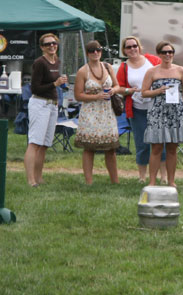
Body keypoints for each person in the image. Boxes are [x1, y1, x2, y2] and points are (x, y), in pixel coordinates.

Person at [141, 41, 183, 187]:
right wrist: (158, 91)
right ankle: (152, 181)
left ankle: (171, 181)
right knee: (156, 147)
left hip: (175, 112)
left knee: (172, 148)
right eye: (164, 52)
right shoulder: (152, 71)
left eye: (170, 52)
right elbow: (144, 92)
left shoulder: (180, 70)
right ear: (159, 54)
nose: (168, 55)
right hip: (157, 112)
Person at [116, 36, 167, 183]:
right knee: (142, 143)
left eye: (134, 46)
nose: (132, 49)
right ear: (124, 51)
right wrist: (128, 90)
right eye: (128, 47)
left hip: (157, 107)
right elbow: (118, 87)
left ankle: (163, 176)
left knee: (160, 142)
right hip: (137, 109)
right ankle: (142, 176)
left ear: (139, 47)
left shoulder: (152, 60)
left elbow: (168, 72)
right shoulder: (124, 67)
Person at [24, 33, 69, 187]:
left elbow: (55, 83)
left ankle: (39, 177)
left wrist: (62, 83)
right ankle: (30, 180)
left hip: (53, 104)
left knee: (44, 144)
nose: (52, 46)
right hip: (39, 103)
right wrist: (55, 84)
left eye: (54, 43)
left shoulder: (58, 61)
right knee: (35, 142)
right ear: (42, 47)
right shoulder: (39, 63)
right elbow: (35, 88)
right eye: (48, 44)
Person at [73, 40, 121, 185]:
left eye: (98, 50)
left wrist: (114, 90)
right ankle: (89, 182)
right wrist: (96, 96)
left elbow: (118, 85)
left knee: (111, 148)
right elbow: (78, 95)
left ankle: (115, 181)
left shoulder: (108, 67)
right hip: (90, 113)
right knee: (89, 148)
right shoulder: (83, 71)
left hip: (107, 112)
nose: (95, 53)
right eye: (92, 50)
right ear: (87, 53)